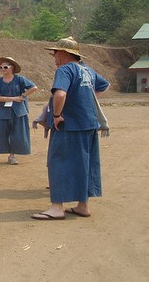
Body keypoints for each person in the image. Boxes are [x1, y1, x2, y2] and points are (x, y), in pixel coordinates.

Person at [31, 37, 109, 220]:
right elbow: (103, 84)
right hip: (89, 124)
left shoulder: (65, 69)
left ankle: (57, 207)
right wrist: (85, 98)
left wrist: (57, 115)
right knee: (86, 164)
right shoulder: (87, 70)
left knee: (59, 163)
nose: (54, 57)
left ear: (64, 53)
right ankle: (83, 205)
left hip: (70, 126)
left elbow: (60, 93)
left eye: (55, 53)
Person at [0, 57, 38, 165]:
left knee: (17, 133)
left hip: (18, 111)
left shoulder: (20, 79)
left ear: (12, 68)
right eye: (1, 67)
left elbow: (34, 87)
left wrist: (23, 95)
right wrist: (14, 98)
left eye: (5, 67)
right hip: (3, 111)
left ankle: (12, 156)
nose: (2, 69)